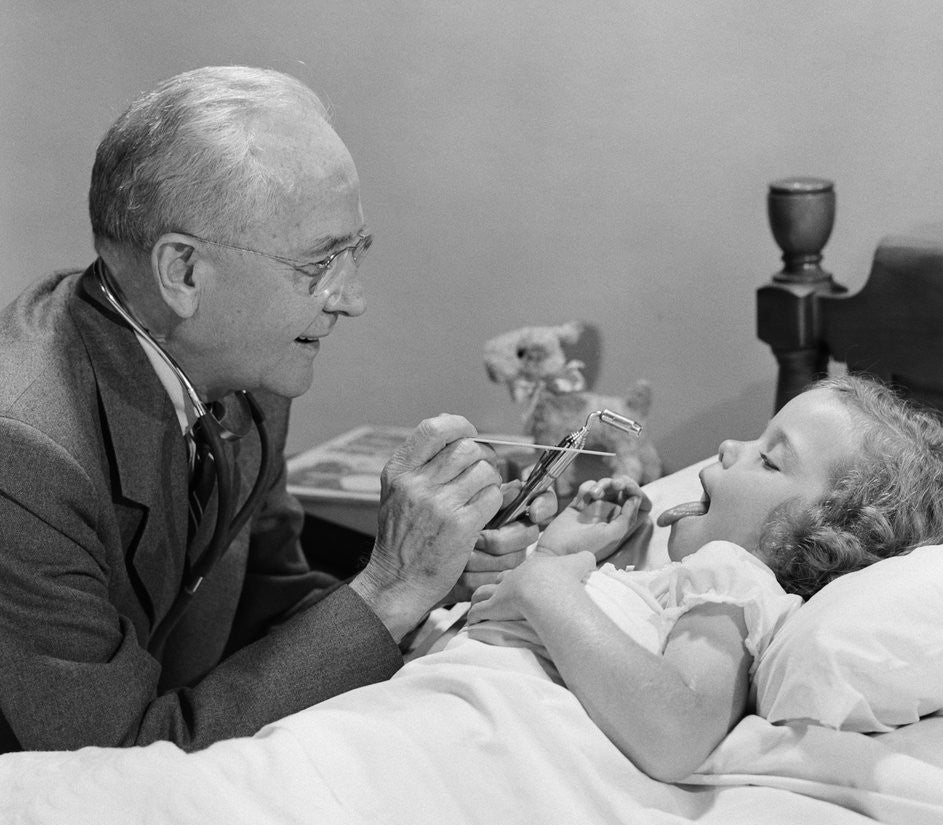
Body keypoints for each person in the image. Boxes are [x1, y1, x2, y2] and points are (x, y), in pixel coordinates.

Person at [0, 65, 550, 753]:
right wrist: (390, 586)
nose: (353, 299)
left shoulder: (244, 369)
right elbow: (115, 760)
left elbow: (270, 608)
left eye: (356, 251)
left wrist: (436, 573)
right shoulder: (22, 456)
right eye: (319, 265)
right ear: (185, 272)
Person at [465, 374, 943, 782]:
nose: (730, 447)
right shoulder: (688, 582)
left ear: (816, 541)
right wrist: (571, 554)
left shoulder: (733, 581)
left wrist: (549, 586)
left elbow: (678, 732)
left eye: (770, 460)